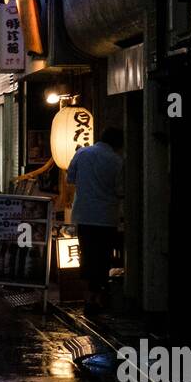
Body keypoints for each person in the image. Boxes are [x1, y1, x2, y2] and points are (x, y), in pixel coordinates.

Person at [66, 127, 124, 312]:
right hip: (107, 216)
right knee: (104, 257)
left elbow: (70, 178)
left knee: (88, 255)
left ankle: (89, 298)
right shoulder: (117, 161)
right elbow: (120, 190)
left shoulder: (82, 153)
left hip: (84, 215)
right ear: (117, 144)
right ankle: (100, 296)